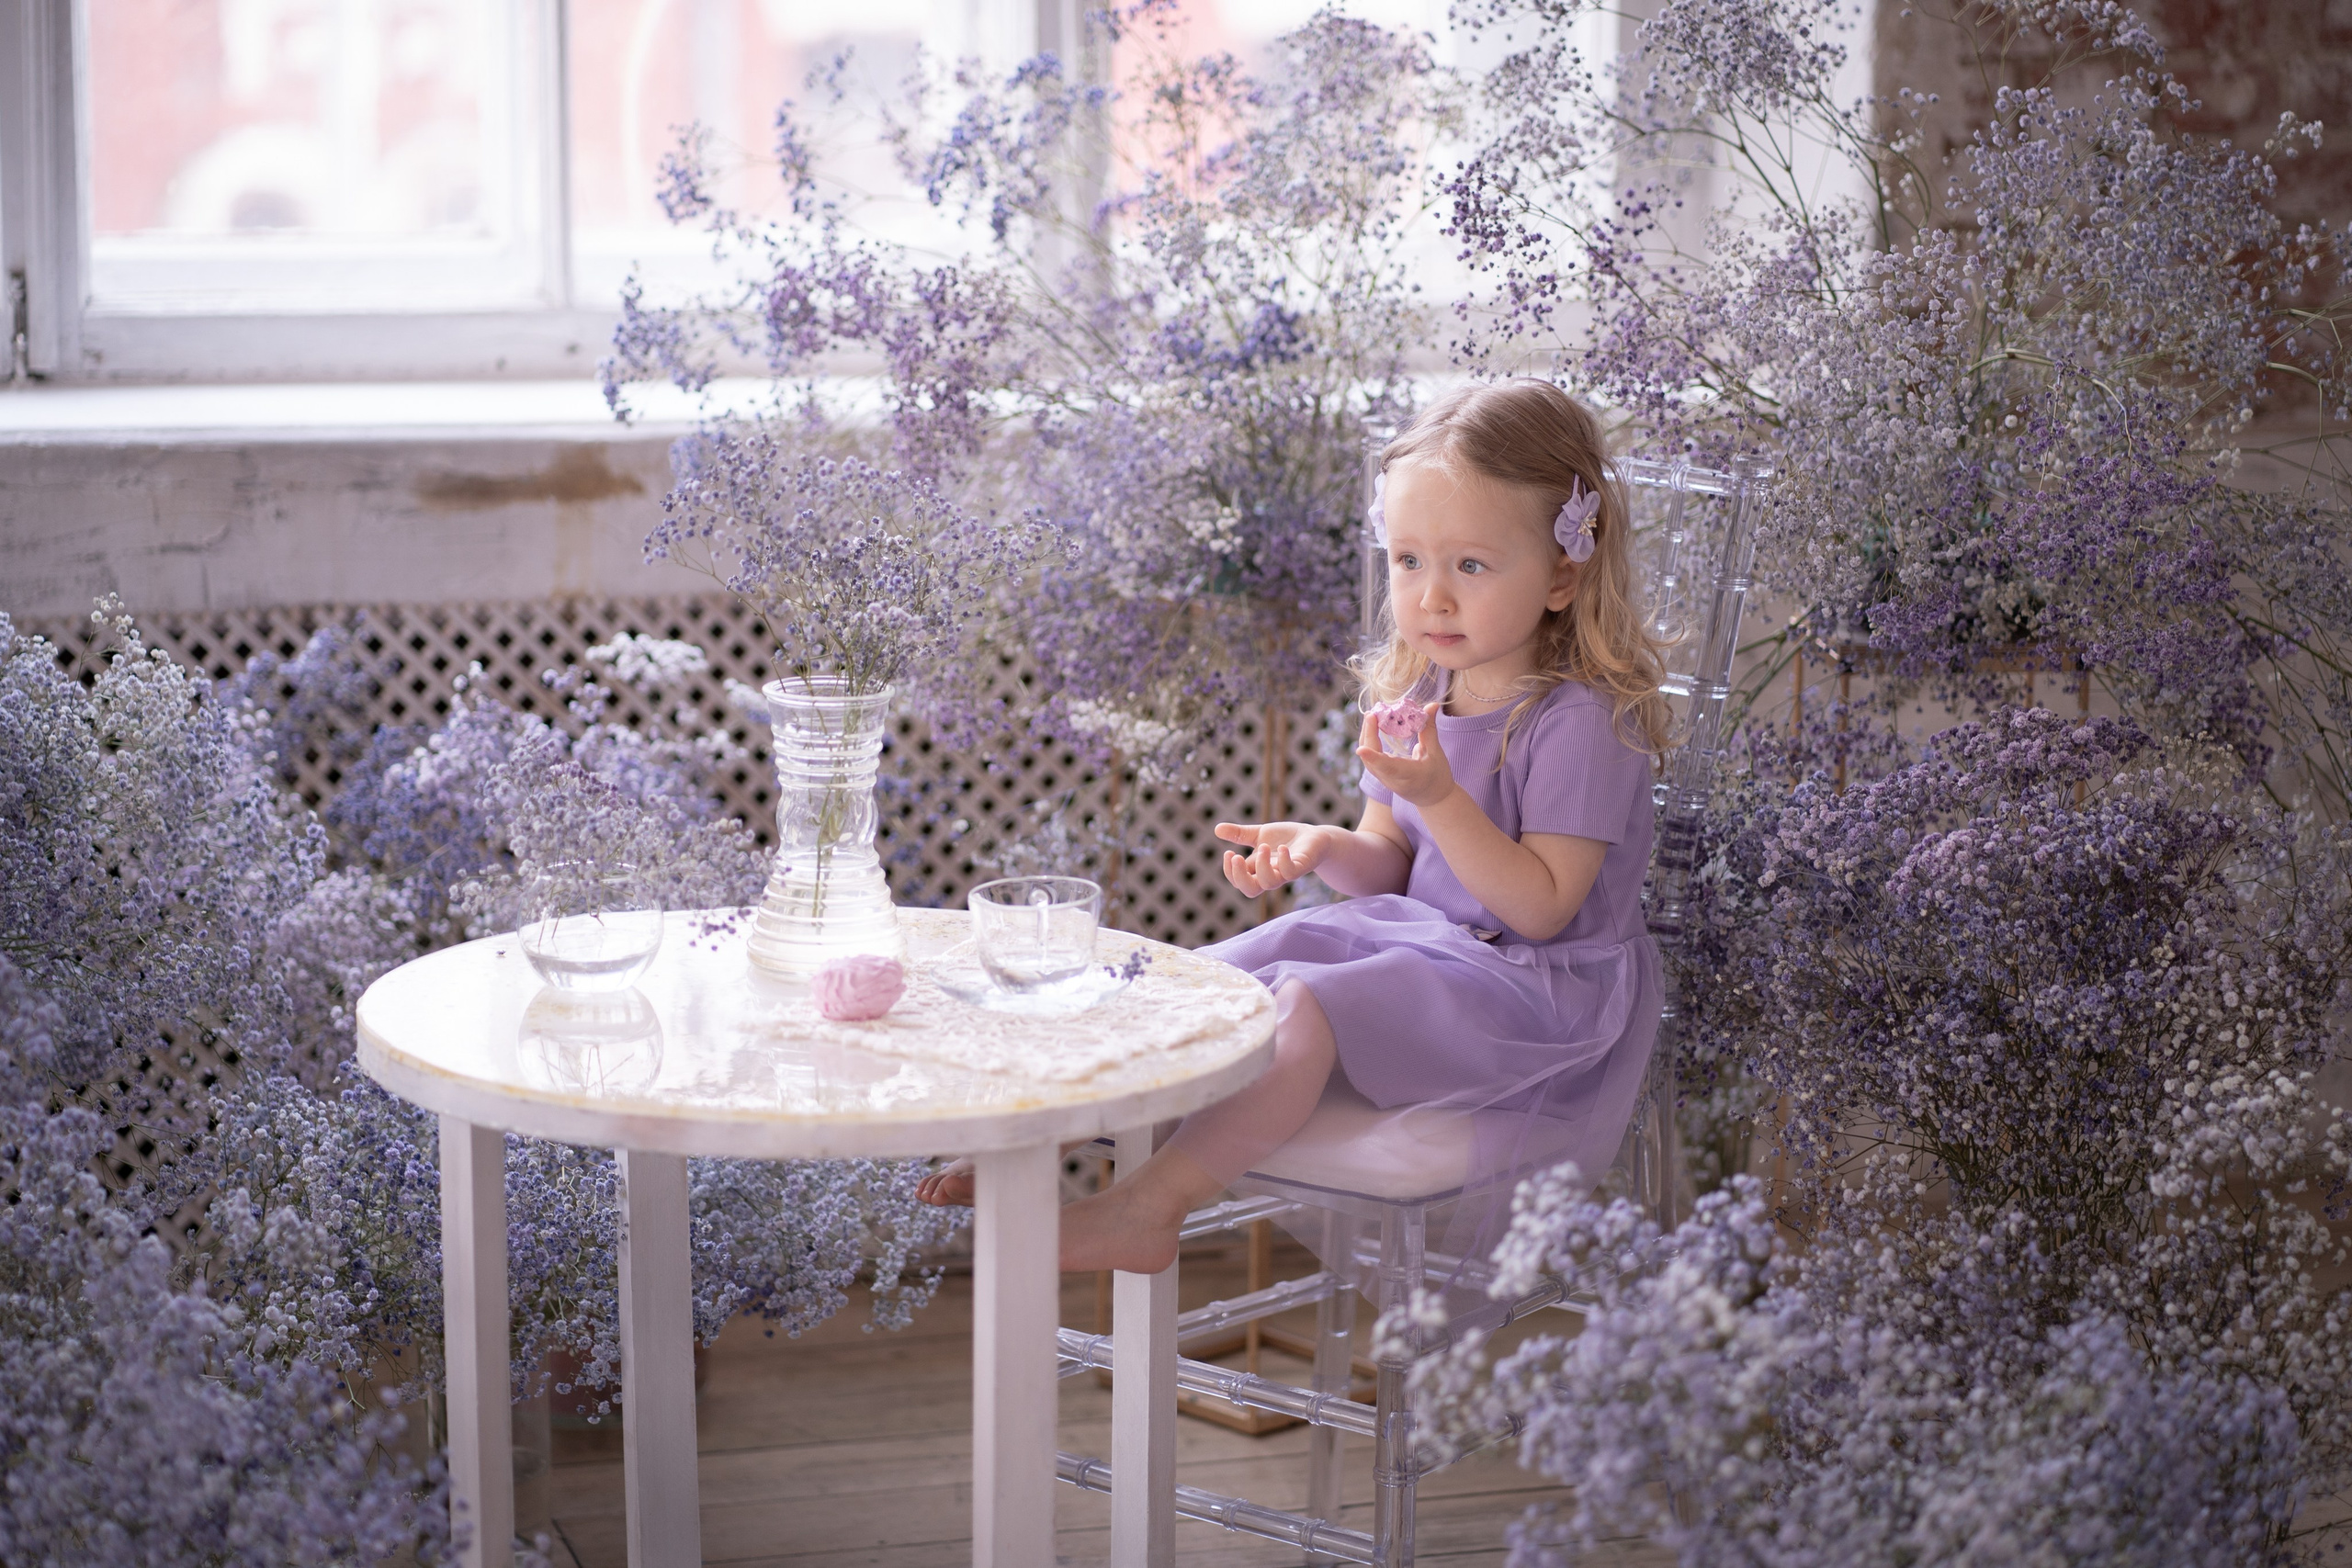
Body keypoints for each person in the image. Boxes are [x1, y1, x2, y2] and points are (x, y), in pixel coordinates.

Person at [918, 379, 1671, 1274]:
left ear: (1560, 573)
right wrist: (1325, 848)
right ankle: (1044, 1141)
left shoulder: (1579, 721)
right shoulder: (1419, 694)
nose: (1431, 598)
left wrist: (1435, 796)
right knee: (1212, 982)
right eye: (1407, 561)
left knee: (1304, 1004)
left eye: (1469, 566)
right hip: (1431, 950)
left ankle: (1149, 1208)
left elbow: (1541, 908)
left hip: (1536, 999)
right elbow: (1391, 866)